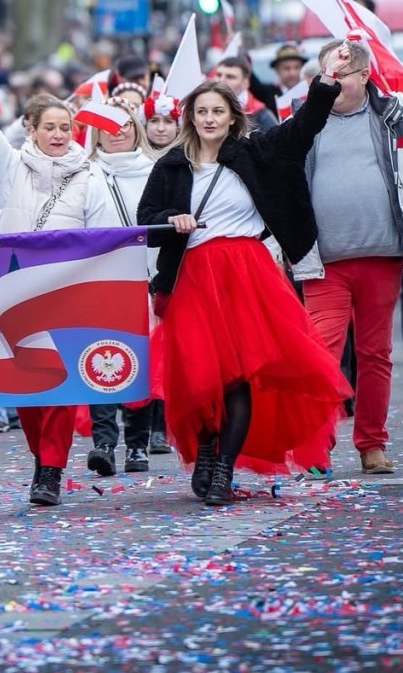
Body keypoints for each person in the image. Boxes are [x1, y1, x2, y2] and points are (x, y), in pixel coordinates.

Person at [137, 59, 352, 506]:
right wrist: (171, 220)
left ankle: (223, 469)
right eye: (202, 112)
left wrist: (327, 79)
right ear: (190, 118)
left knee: (236, 377)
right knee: (200, 377)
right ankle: (208, 451)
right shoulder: (172, 166)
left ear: (233, 116)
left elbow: (304, 128)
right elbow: (146, 220)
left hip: (246, 276)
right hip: (192, 277)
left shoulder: (255, 152)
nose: (210, 119)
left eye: (218, 111)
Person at [0, 44, 112, 506]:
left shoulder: (90, 177)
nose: (58, 134)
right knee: (26, 389)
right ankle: (42, 459)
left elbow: (107, 237)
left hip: (65, 295)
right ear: (30, 130)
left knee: (59, 386)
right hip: (13, 294)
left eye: (65, 127)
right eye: (49, 127)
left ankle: (50, 471)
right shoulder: (12, 167)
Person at [293, 29, 403, 474]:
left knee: (374, 355)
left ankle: (371, 444)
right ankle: (317, 445)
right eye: (324, 73)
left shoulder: (396, 114)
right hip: (321, 261)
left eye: (340, 73)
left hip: (381, 258)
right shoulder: (302, 120)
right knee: (322, 354)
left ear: (365, 75)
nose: (329, 81)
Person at [83, 100, 160, 477]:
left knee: (140, 363)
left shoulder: (156, 170)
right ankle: (103, 443)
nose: (117, 132)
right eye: (109, 126)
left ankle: (138, 445)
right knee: (100, 359)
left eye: (125, 124)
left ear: (136, 129)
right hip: (100, 282)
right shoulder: (85, 173)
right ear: (96, 132)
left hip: (145, 279)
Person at [213, 56, 278, 133]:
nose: (221, 80)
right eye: (219, 75)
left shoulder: (261, 116)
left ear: (245, 83)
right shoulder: (203, 109)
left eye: (230, 77)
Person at [251, 44, 309, 116]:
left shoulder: (308, 92)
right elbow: (251, 82)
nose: (292, 73)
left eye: (296, 68)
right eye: (286, 68)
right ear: (277, 70)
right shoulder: (268, 92)